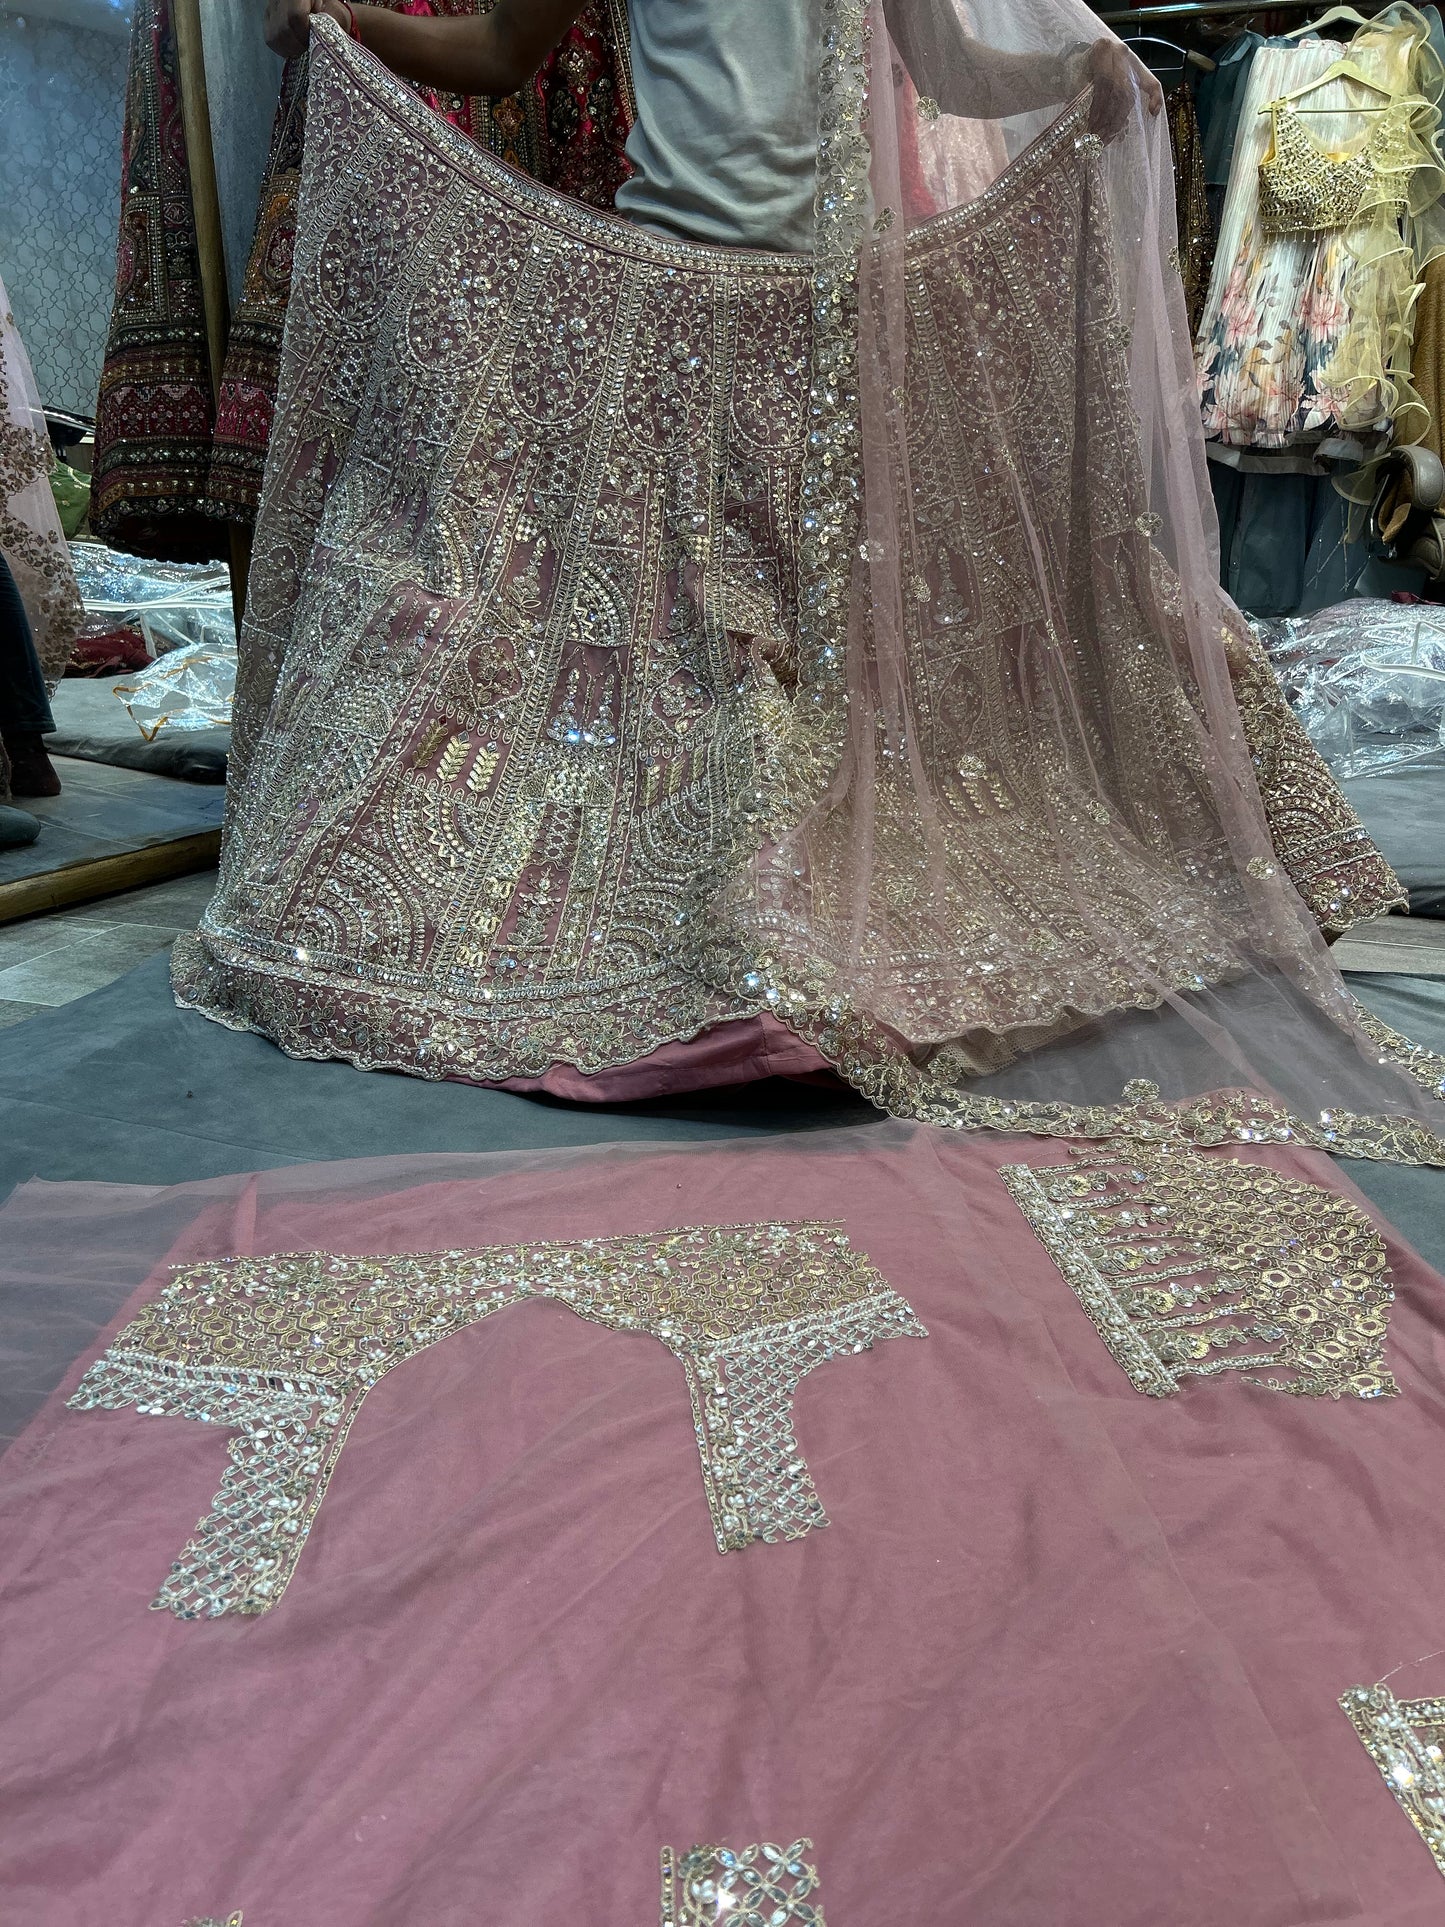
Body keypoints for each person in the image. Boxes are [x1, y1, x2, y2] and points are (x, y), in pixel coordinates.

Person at [175, 0, 1444, 1161]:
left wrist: (1074, 76)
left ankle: (819, 939)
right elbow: (505, 51)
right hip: (674, 328)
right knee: (685, 667)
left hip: (845, 337)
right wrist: (351, 26)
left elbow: (952, 68)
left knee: (843, 661)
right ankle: (692, 948)